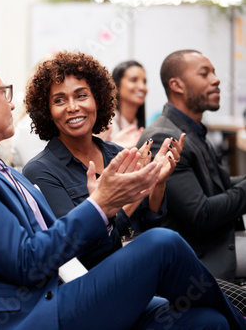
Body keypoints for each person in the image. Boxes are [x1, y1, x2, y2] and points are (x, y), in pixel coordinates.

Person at [0, 51, 246, 330]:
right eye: (3, 92)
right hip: (34, 317)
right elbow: (28, 261)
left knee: (208, 323)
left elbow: (65, 245)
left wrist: (144, 188)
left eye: (81, 96)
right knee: (162, 244)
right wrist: (103, 203)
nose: (11, 103)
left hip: (66, 294)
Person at [22, 52, 182, 268]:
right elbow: (84, 251)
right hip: (100, 278)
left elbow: (150, 222)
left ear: (98, 99)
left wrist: (157, 183)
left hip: (144, 263)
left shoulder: (117, 154)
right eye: (59, 100)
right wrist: (132, 195)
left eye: (81, 95)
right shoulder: (39, 171)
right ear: (47, 112)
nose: (72, 107)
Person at [137, 49, 246, 284]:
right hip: (200, 264)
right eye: (204, 74)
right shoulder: (164, 138)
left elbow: (218, 184)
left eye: (214, 73)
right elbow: (201, 215)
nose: (216, 80)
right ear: (177, 85)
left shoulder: (190, 128)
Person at [98, 60, 146, 148]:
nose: (142, 87)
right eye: (134, 80)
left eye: (144, 82)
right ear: (116, 85)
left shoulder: (139, 125)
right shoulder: (107, 125)